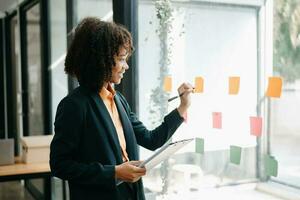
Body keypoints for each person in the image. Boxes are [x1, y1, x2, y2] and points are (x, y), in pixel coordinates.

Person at [50, 17, 193, 200]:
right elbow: (59, 164)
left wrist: (183, 107)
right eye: (121, 59)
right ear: (100, 60)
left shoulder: (119, 100)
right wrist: (114, 173)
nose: (126, 66)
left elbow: (151, 139)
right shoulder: (74, 105)